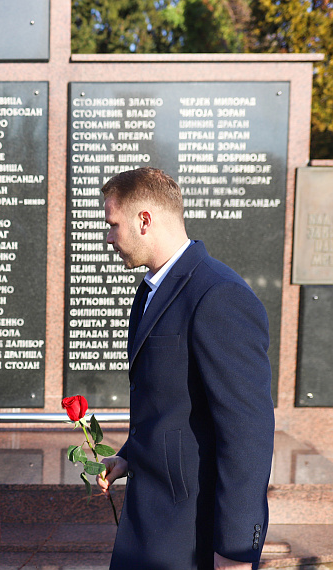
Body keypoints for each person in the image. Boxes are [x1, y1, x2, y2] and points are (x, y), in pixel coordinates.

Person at [95, 167, 275, 570]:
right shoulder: (151, 291)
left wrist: (235, 550)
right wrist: (129, 456)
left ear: (145, 220)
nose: (109, 238)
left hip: (190, 538)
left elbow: (248, 431)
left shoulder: (218, 294)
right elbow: (170, 404)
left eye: (113, 225)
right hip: (151, 525)